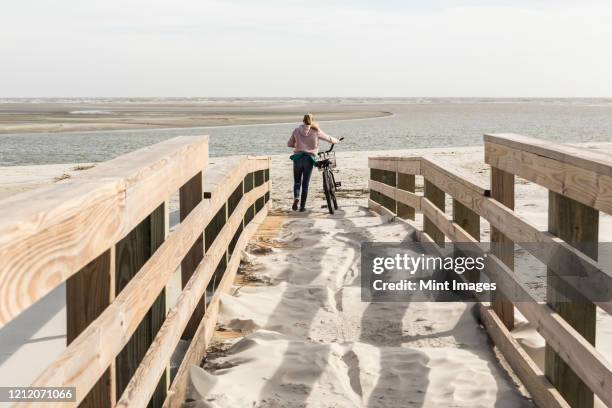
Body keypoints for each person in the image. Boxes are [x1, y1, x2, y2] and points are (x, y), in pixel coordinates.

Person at [287, 113, 340, 211]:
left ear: (303, 120)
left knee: (297, 182)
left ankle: (296, 198)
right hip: (309, 159)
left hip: (298, 158)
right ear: (312, 120)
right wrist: (337, 140)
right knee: (305, 184)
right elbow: (328, 138)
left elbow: (289, 144)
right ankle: (302, 207)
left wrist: (299, 145)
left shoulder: (296, 130)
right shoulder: (315, 130)